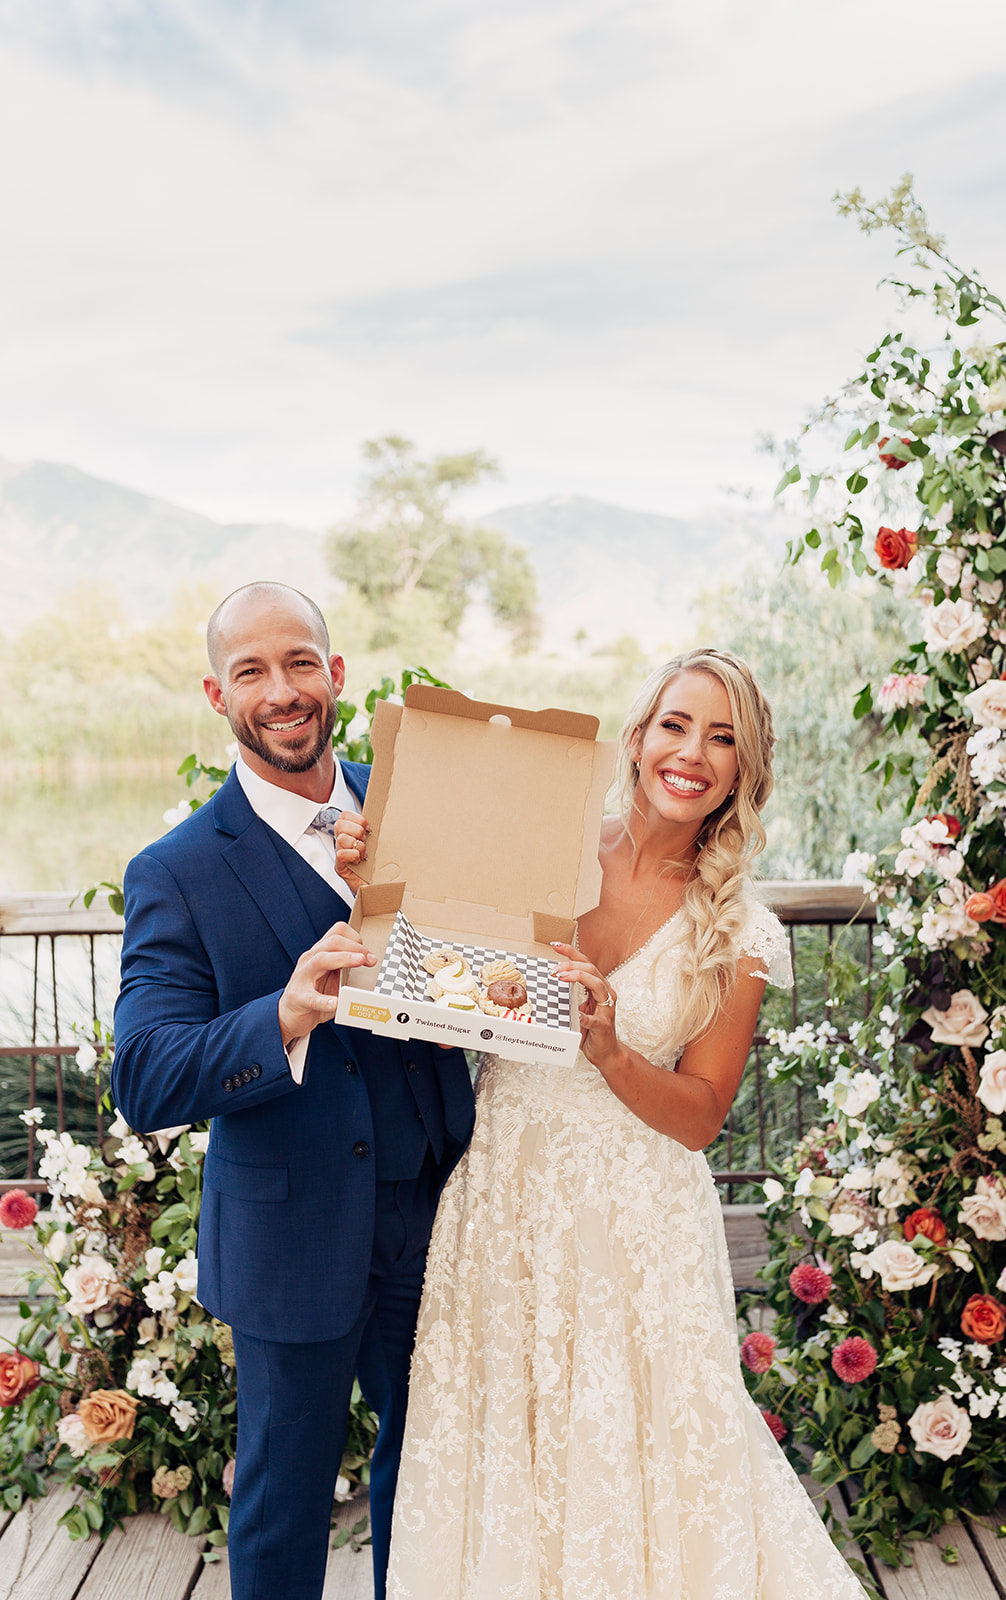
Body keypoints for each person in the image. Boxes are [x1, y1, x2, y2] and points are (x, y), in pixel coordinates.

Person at [383, 647, 868, 1600]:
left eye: (722, 739)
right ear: (637, 738)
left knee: (633, 1437)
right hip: (503, 1199)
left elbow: (699, 1118)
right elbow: (428, 967)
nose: (692, 753)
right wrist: (383, 876)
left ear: (743, 772)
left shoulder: (737, 931)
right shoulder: (539, 852)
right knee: (504, 1433)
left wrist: (609, 1050)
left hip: (635, 1224)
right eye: (676, 726)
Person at [111, 581, 475, 1600]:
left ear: (336, 674)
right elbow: (143, 1075)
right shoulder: (176, 870)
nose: (282, 689)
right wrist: (284, 1012)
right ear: (216, 694)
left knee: (436, 1477)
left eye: (300, 662)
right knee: (281, 1498)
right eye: (251, 671)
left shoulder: (417, 812)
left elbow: (491, 960)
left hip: (435, 1210)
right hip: (289, 1234)